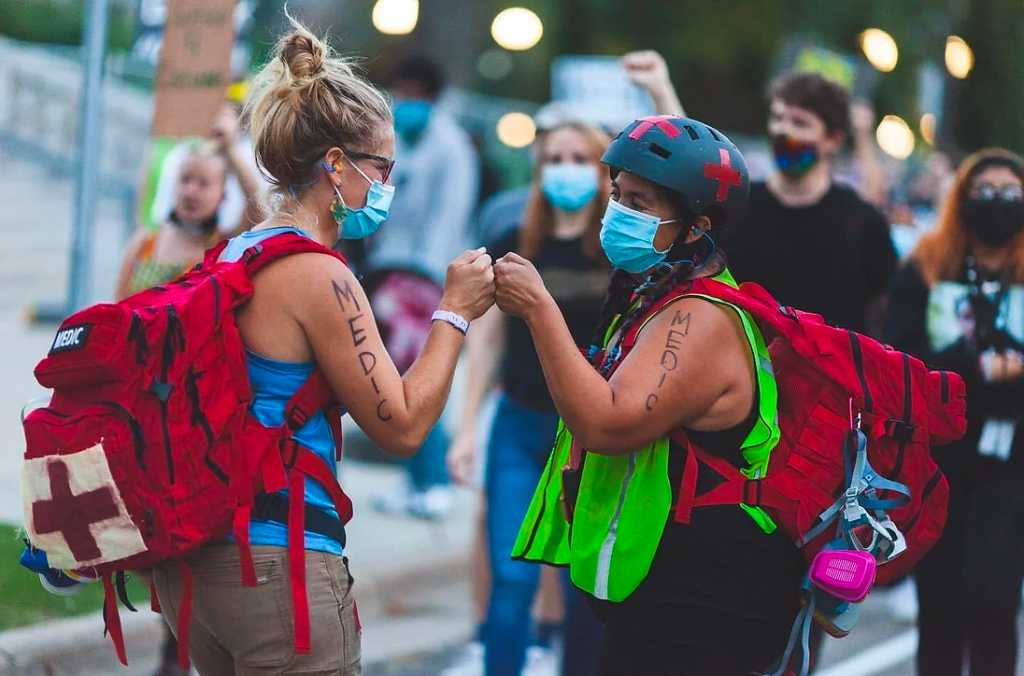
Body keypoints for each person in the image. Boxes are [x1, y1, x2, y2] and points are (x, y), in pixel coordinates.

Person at [149, 20, 495, 674]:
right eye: (383, 168)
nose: (389, 185)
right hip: (280, 566)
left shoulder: (240, 249)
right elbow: (402, 426)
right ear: (335, 165)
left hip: (201, 563)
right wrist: (454, 312)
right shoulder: (320, 275)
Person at [499, 115, 805, 676]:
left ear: (696, 227)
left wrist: (540, 309)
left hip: (713, 604)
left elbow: (607, 424)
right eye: (618, 195)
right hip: (667, 591)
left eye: (640, 203)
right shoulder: (657, 300)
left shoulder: (702, 316)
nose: (617, 213)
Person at [446, 119, 612, 676]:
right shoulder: (516, 240)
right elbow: (487, 337)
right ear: (539, 170)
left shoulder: (619, 249)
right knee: (510, 574)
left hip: (591, 436)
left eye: (580, 157)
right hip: (518, 424)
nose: (567, 168)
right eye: (555, 158)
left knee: (582, 583)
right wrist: (466, 427)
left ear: (603, 169)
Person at [884, 149, 1024, 676]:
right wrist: (979, 366)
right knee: (938, 602)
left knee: (992, 597)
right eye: (983, 191)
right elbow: (899, 353)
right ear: (961, 200)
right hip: (937, 457)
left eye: (1011, 193)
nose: (997, 203)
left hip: (1012, 458)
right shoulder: (926, 265)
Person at [364, 55, 480, 520]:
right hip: (392, 271)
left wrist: (436, 277)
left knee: (423, 381)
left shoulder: (451, 147)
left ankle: (435, 480)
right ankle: (413, 482)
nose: (405, 101)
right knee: (400, 382)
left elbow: (450, 217)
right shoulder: (398, 144)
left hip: (427, 277)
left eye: (414, 92)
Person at [721, 71, 898, 336]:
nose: (783, 130)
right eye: (778, 118)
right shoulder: (738, 206)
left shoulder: (862, 222)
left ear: (833, 140)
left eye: (800, 123)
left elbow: (885, 309)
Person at [116, 105, 264, 302]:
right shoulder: (144, 243)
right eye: (185, 179)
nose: (191, 192)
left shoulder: (225, 247)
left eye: (204, 184)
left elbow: (258, 208)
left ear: (223, 195)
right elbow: (115, 311)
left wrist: (230, 151)